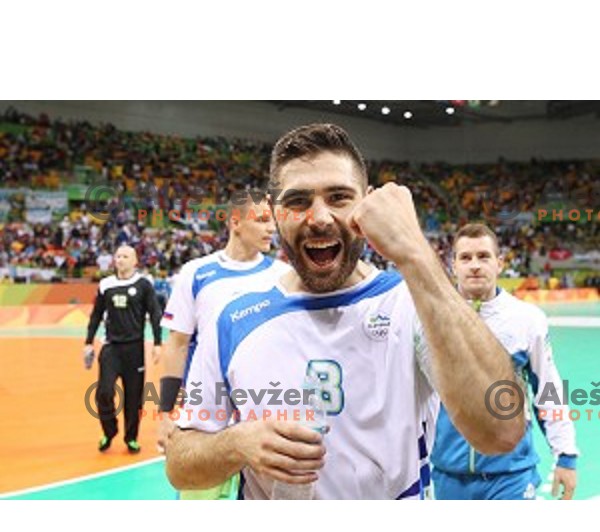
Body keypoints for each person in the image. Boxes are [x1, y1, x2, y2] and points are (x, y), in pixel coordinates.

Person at [165, 123, 524, 500]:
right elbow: (179, 465)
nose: (319, 218)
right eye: (298, 201)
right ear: (274, 211)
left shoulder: (411, 302)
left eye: (338, 197)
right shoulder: (233, 318)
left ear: (366, 205)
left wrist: (415, 252)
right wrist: (235, 444)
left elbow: (501, 429)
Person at [431, 224, 578, 500]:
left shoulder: (526, 319)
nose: (474, 265)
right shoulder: (431, 319)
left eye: (483, 256)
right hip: (448, 475)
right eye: (465, 257)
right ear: (452, 266)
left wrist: (566, 454)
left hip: (511, 476)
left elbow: (548, 388)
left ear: (499, 263)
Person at [158, 193, 288, 499]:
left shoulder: (283, 276)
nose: (271, 229)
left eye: (274, 221)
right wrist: (165, 414)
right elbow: (176, 345)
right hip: (206, 423)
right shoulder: (196, 273)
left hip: (263, 420)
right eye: (262, 220)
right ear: (235, 223)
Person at [85, 244, 163, 453]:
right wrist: (88, 342)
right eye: (117, 256)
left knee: (133, 398)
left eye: (125, 256)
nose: (119, 259)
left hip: (135, 349)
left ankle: (131, 437)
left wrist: (157, 343)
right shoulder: (106, 285)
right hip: (111, 348)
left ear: (135, 261)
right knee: (104, 392)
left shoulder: (144, 284)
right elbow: (96, 315)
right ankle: (109, 431)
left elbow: (155, 313)